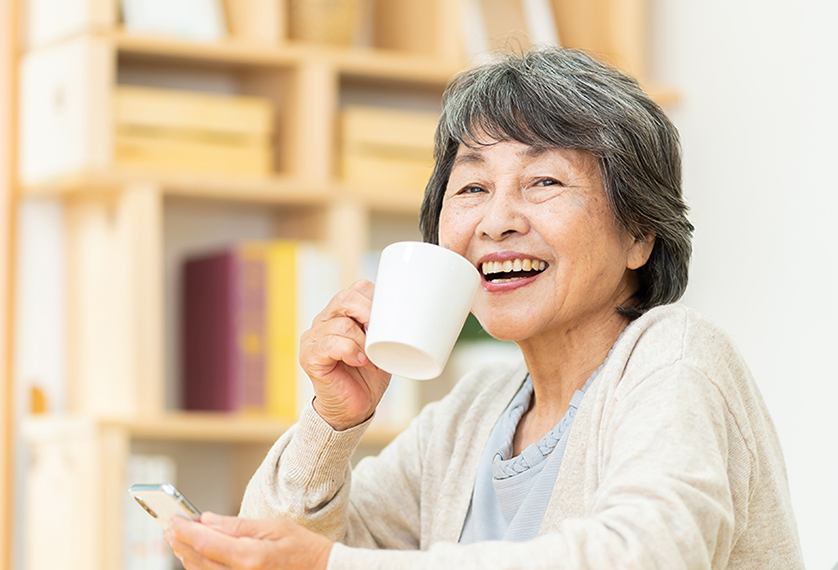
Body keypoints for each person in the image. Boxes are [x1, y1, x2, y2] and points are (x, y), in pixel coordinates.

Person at [164, 47, 804, 569]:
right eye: (471, 187)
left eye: (544, 181)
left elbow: (644, 555)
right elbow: (280, 549)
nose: (496, 222)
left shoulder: (675, 359)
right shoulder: (471, 415)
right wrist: (330, 425)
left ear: (639, 234)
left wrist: (332, 565)